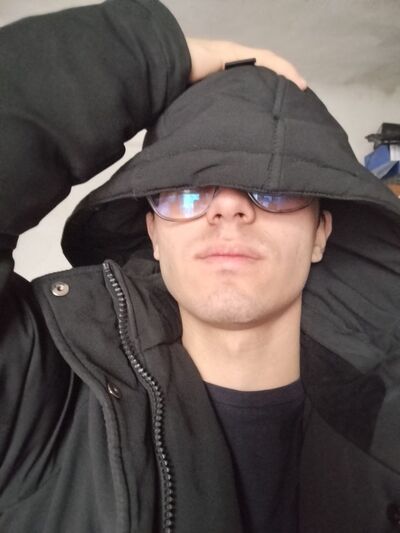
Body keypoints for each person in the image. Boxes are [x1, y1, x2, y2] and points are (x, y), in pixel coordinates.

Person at [1, 1, 400, 533]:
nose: (228, 210)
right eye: (189, 192)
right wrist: (149, 57)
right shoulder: (42, 391)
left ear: (319, 235)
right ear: (154, 235)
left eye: (274, 191)